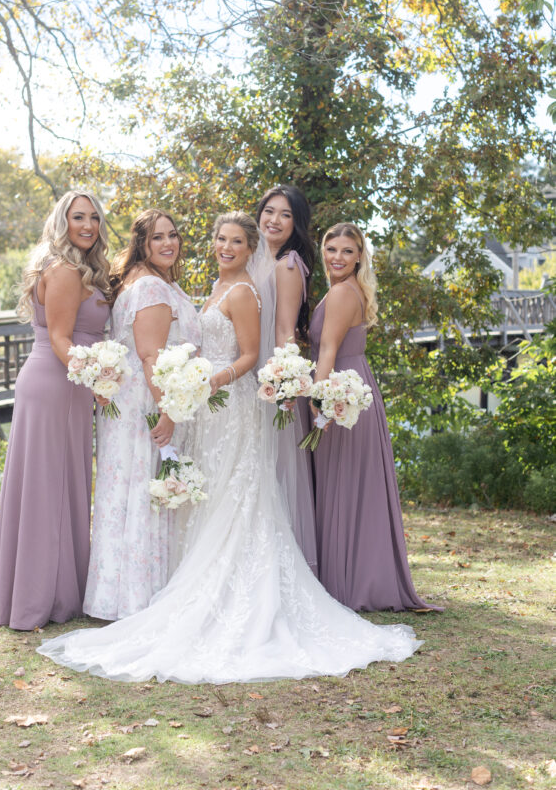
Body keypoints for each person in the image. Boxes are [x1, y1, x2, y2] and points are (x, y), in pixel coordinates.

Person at [37, 213, 422, 683]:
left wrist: (213, 377)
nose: (225, 246)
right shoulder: (214, 290)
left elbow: (246, 354)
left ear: (250, 248)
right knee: (211, 496)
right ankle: (199, 583)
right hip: (207, 407)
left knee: (235, 495)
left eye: (236, 241)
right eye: (219, 238)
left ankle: (234, 592)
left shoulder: (242, 293)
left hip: (230, 404)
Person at [0, 190, 111, 630]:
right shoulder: (66, 270)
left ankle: (45, 592)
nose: (88, 225)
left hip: (64, 383)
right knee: (47, 488)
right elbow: (60, 339)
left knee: (52, 484)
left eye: (94, 217)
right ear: (63, 221)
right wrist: (99, 381)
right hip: (60, 382)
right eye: (79, 217)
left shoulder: (75, 267)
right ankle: (41, 599)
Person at [309, 222, 439, 612]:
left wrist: (320, 401)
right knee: (350, 483)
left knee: (345, 482)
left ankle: (351, 582)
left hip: (341, 394)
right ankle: (357, 574)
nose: (337, 257)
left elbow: (329, 350)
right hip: (352, 386)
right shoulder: (349, 290)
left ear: (360, 256)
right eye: (331, 249)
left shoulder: (341, 293)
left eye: (347, 251)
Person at [83, 208, 201, 620]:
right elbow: (151, 355)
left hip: (129, 402)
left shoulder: (141, 281)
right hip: (147, 403)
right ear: (141, 244)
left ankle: (116, 597)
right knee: (143, 490)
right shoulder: (151, 287)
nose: (168, 243)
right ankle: (142, 597)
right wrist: (167, 412)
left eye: (173, 235)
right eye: (157, 238)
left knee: (129, 491)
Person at [256, 184, 318, 574]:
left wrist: (284, 386)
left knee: (274, 467)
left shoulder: (288, 264)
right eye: (269, 210)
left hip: (273, 381)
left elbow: (285, 331)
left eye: (285, 214)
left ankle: (283, 567)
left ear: (296, 225)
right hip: (250, 373)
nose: (274, 220)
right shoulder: (258, 260)